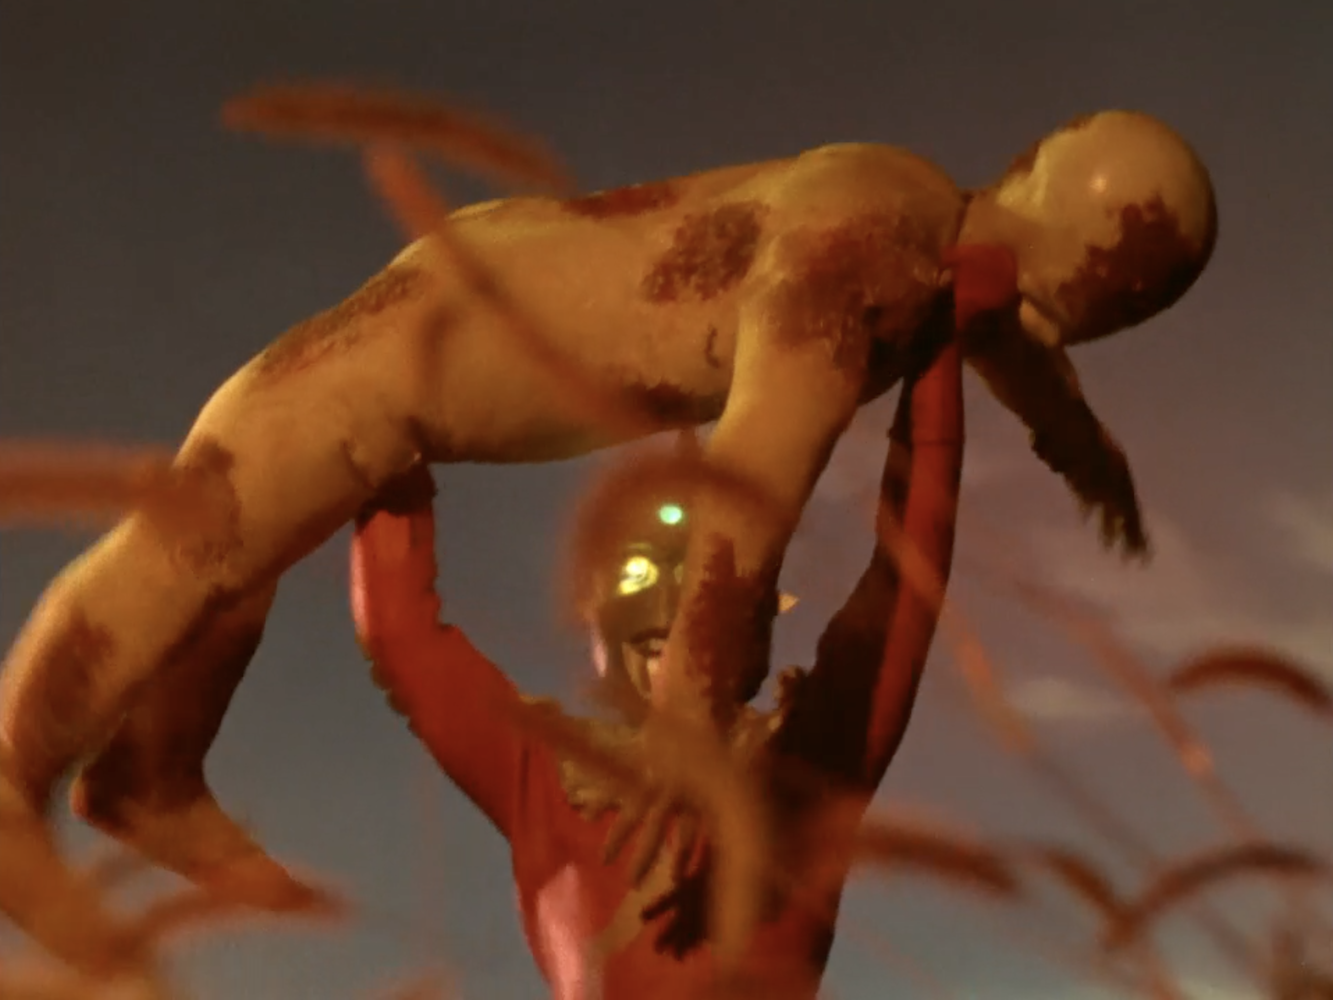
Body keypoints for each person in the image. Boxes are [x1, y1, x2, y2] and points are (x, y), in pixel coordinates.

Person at [0, 107, 1216, 973]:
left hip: (450, 296)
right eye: (1096, 304)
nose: (1044, 333)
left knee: (243, 539)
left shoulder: (924, 218)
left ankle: (151, 772)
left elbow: (1002, 326)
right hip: (390, 368)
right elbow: (748, 492)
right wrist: (687, 719)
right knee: (195, 541)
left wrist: (1074, 443)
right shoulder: (870, 260)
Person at [348, 336, 965, 1000]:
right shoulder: (548, 777)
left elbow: (906, 582)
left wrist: (936, 347)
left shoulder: (807, 760)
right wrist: (386, 424)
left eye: (699, 584)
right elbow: (401, 635)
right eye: (641, 576)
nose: (677, 626)